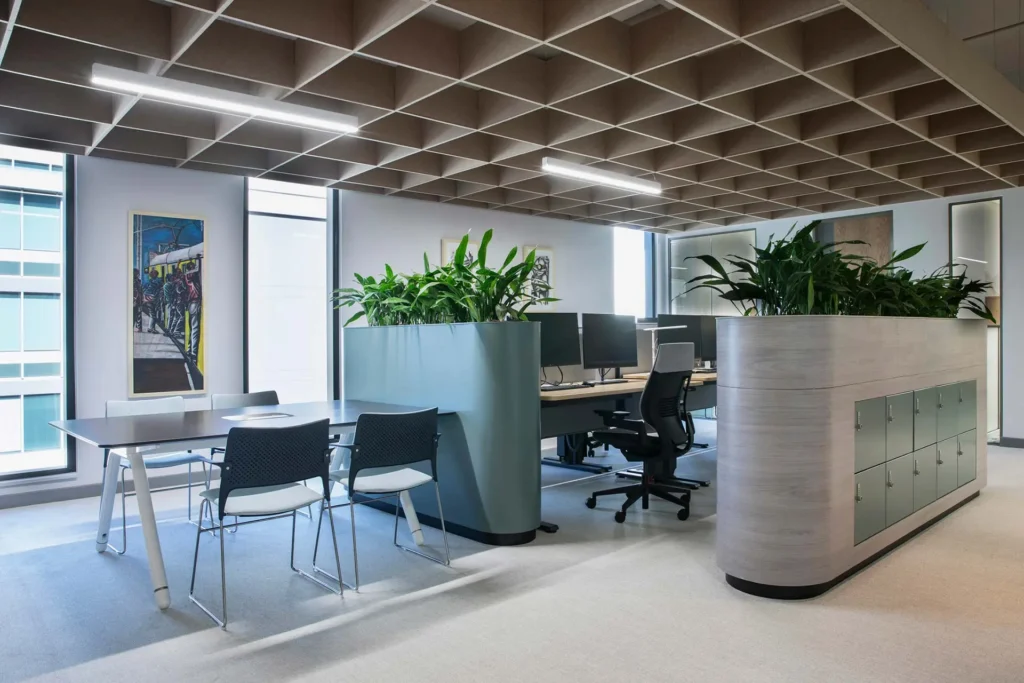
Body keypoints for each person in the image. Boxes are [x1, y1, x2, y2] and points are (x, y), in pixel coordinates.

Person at [183, 260, 202, 366]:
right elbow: (194, 273)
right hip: (195, 303)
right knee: (195, 329)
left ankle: (190, 349)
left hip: (191, 304)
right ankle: (193, 353)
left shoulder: (188, 277)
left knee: (192, 328)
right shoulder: (190, 275)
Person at [144, 268, 163, 333]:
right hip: (154, 299)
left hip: (148, 299)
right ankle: (151, 328)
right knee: (153, 314)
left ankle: (150, 327)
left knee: (152, 314)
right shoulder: (158, 281)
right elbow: (160, 287)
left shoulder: (148, 282)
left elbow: (144, 289)